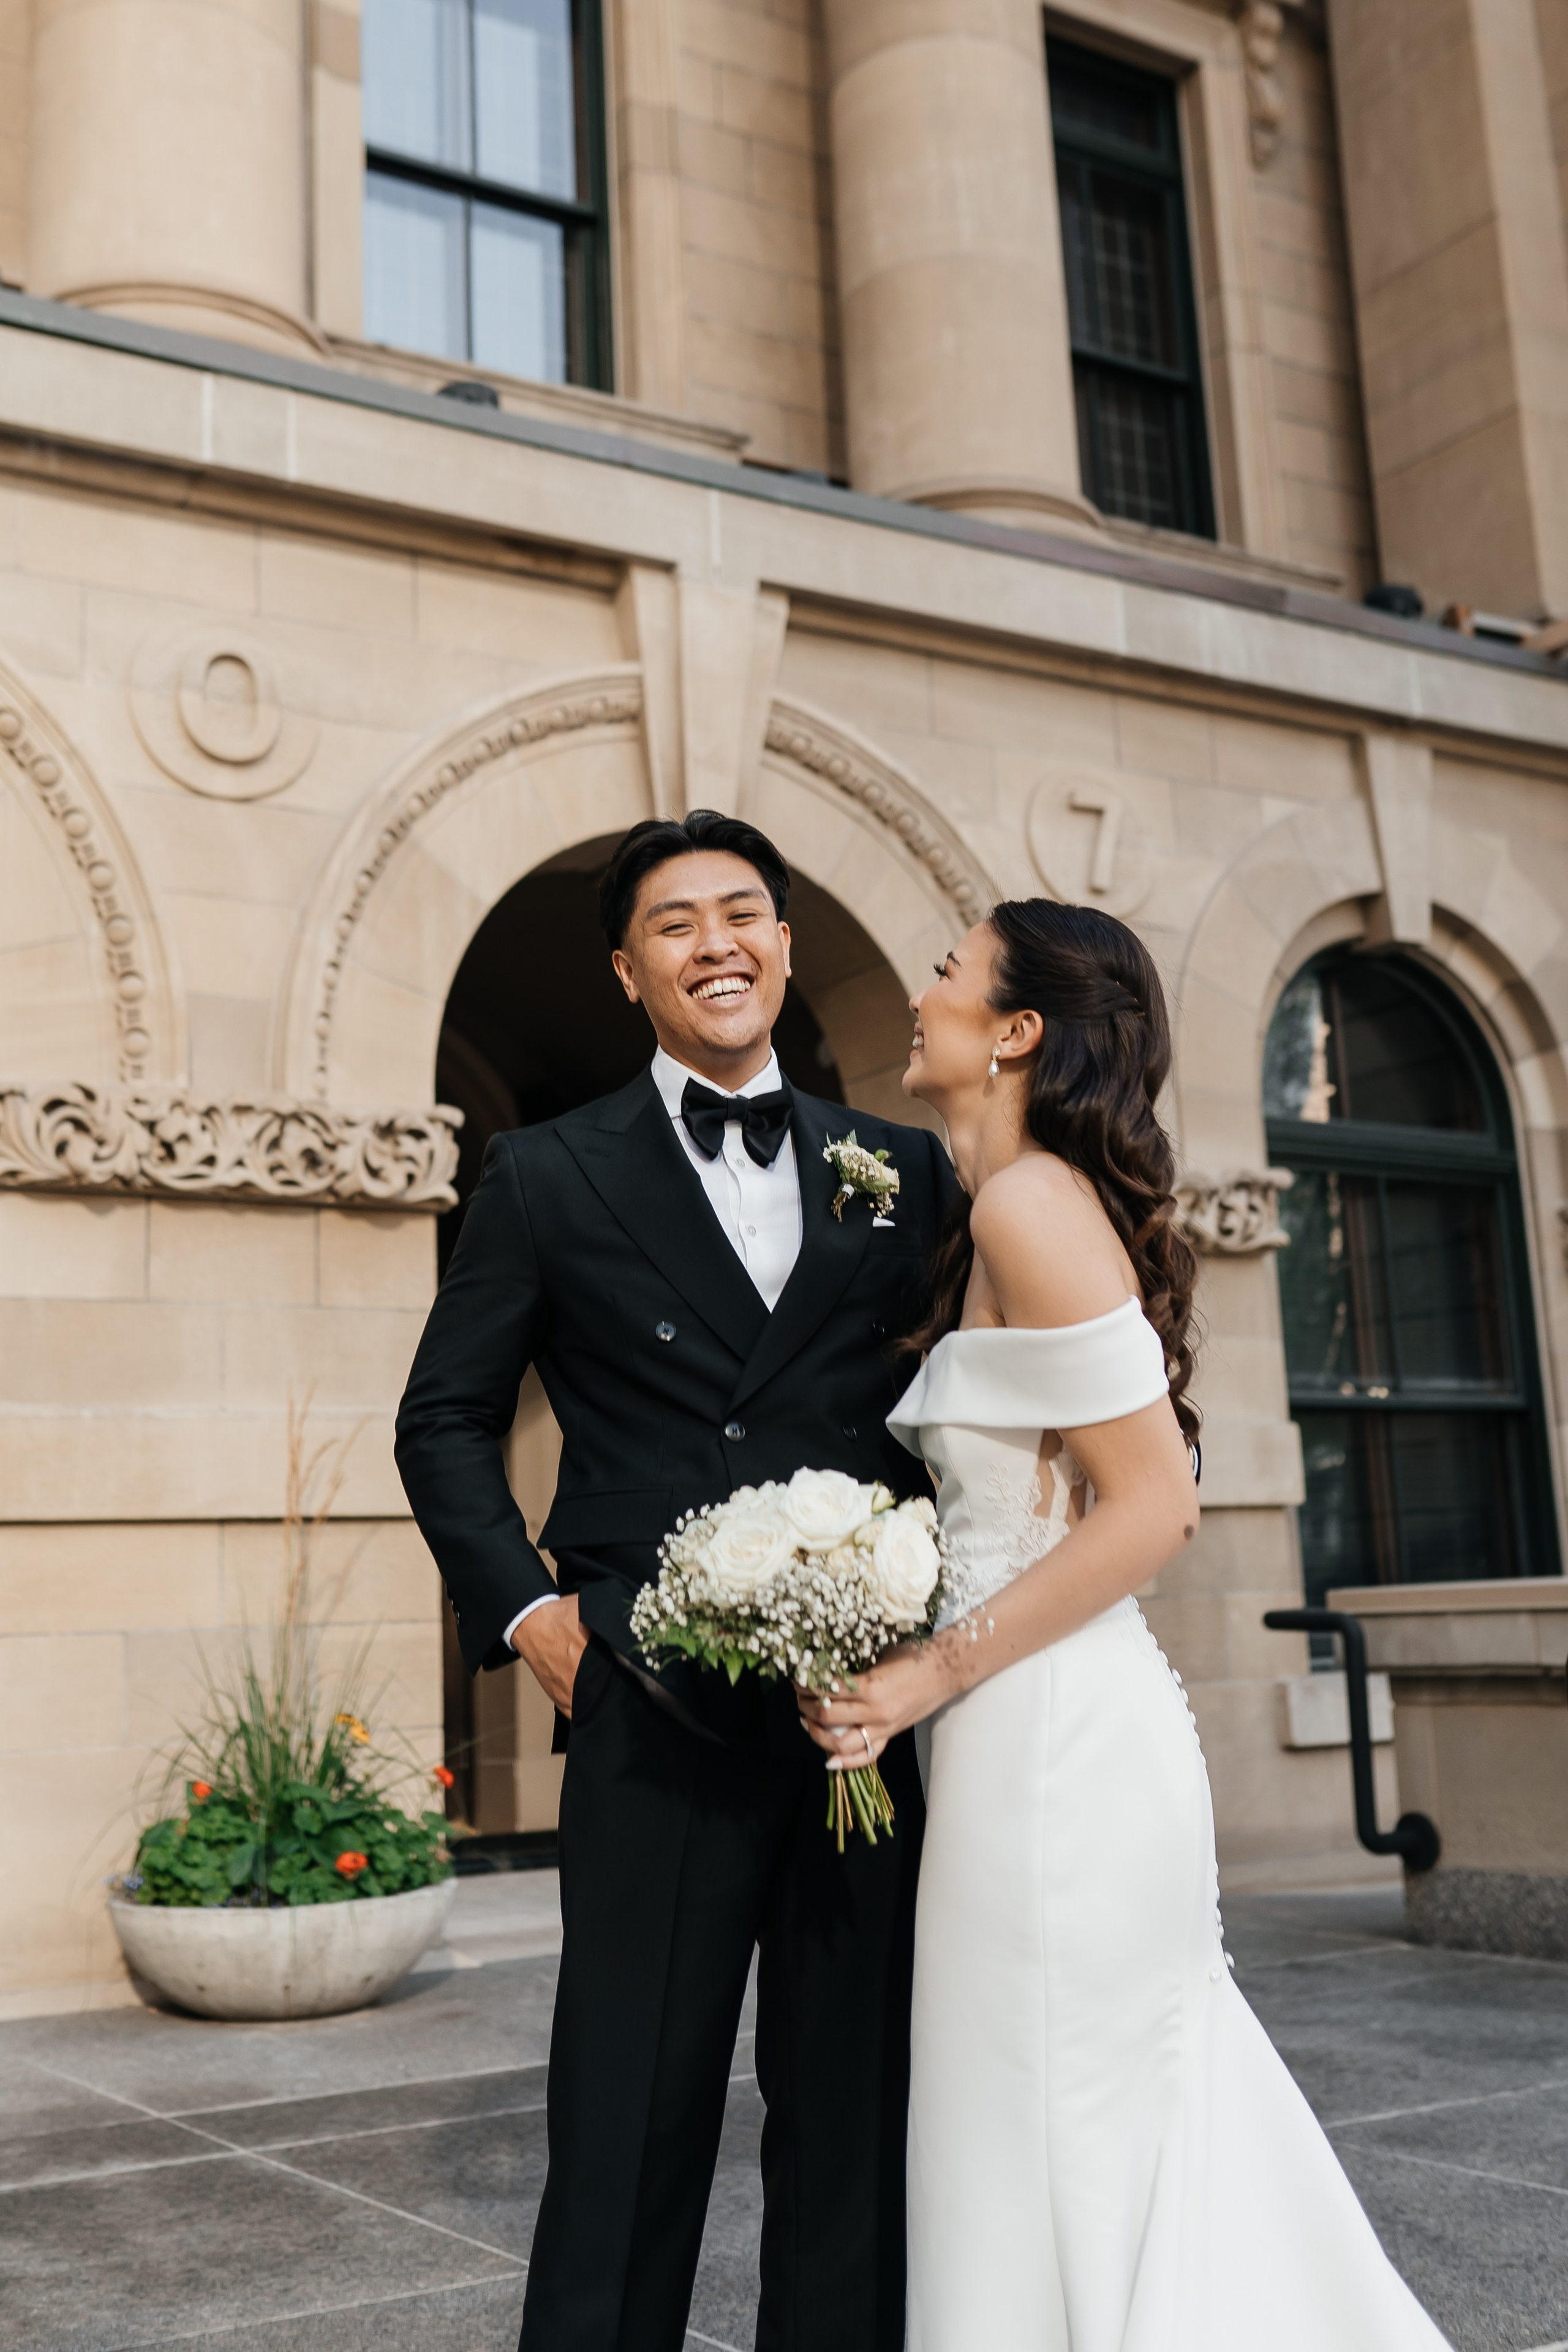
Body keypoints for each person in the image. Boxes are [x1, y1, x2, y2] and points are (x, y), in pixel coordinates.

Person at [798, 899, 1453, 2351]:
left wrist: (925, 1675)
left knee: (1052, 2104)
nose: (922, 995)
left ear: (1016, 1029)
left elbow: (1153, 1506)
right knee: (1039, 2106)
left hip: (1050, 1745)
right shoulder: (1006, 1203)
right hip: (1016, 1731)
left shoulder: (1029, 1205)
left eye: (948, 972)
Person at [394, 810, 958, 2352]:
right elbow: (442, 1419)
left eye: (743, 913)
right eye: (675, 923)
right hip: (651, 1706)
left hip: (859, 1721)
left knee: (852, 2119)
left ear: (783, 944)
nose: (717, 942)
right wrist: (529, 1617)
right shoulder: (545, 1172)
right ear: (628, 972)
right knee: (628, 2115)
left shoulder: (904, 1172)